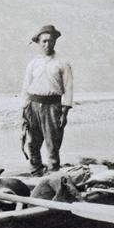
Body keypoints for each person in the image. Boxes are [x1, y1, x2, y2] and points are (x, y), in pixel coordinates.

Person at [21, 24, 73, 175]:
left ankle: (53, 175)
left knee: (52, 144)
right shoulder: (33, 64)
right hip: (33, 105)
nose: (47, 44)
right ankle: (35, 172)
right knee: (32, 143)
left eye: (50, 41)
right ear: (38, 42)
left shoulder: (62, 63)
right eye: (43, 41)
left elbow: (68, 89)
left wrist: (65, 112)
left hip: (53, 106)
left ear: (55, 41)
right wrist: (24, 110)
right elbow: (26, 87)